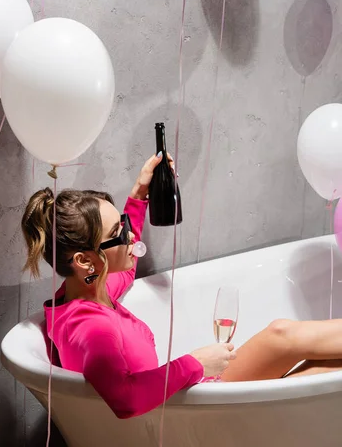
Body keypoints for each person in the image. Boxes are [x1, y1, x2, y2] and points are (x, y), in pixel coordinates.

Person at [22, 154, 342, 419]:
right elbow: (124, 400)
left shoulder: (86, 292)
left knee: (324, 368)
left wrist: (138, 194)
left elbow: (127, 272)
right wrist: (196, 363)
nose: (131, 236)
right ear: (84, 261)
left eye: (124, 222)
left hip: (178, 399)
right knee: (280, 335)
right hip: (182, 414)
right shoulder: (91, 327)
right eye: (119, 232)